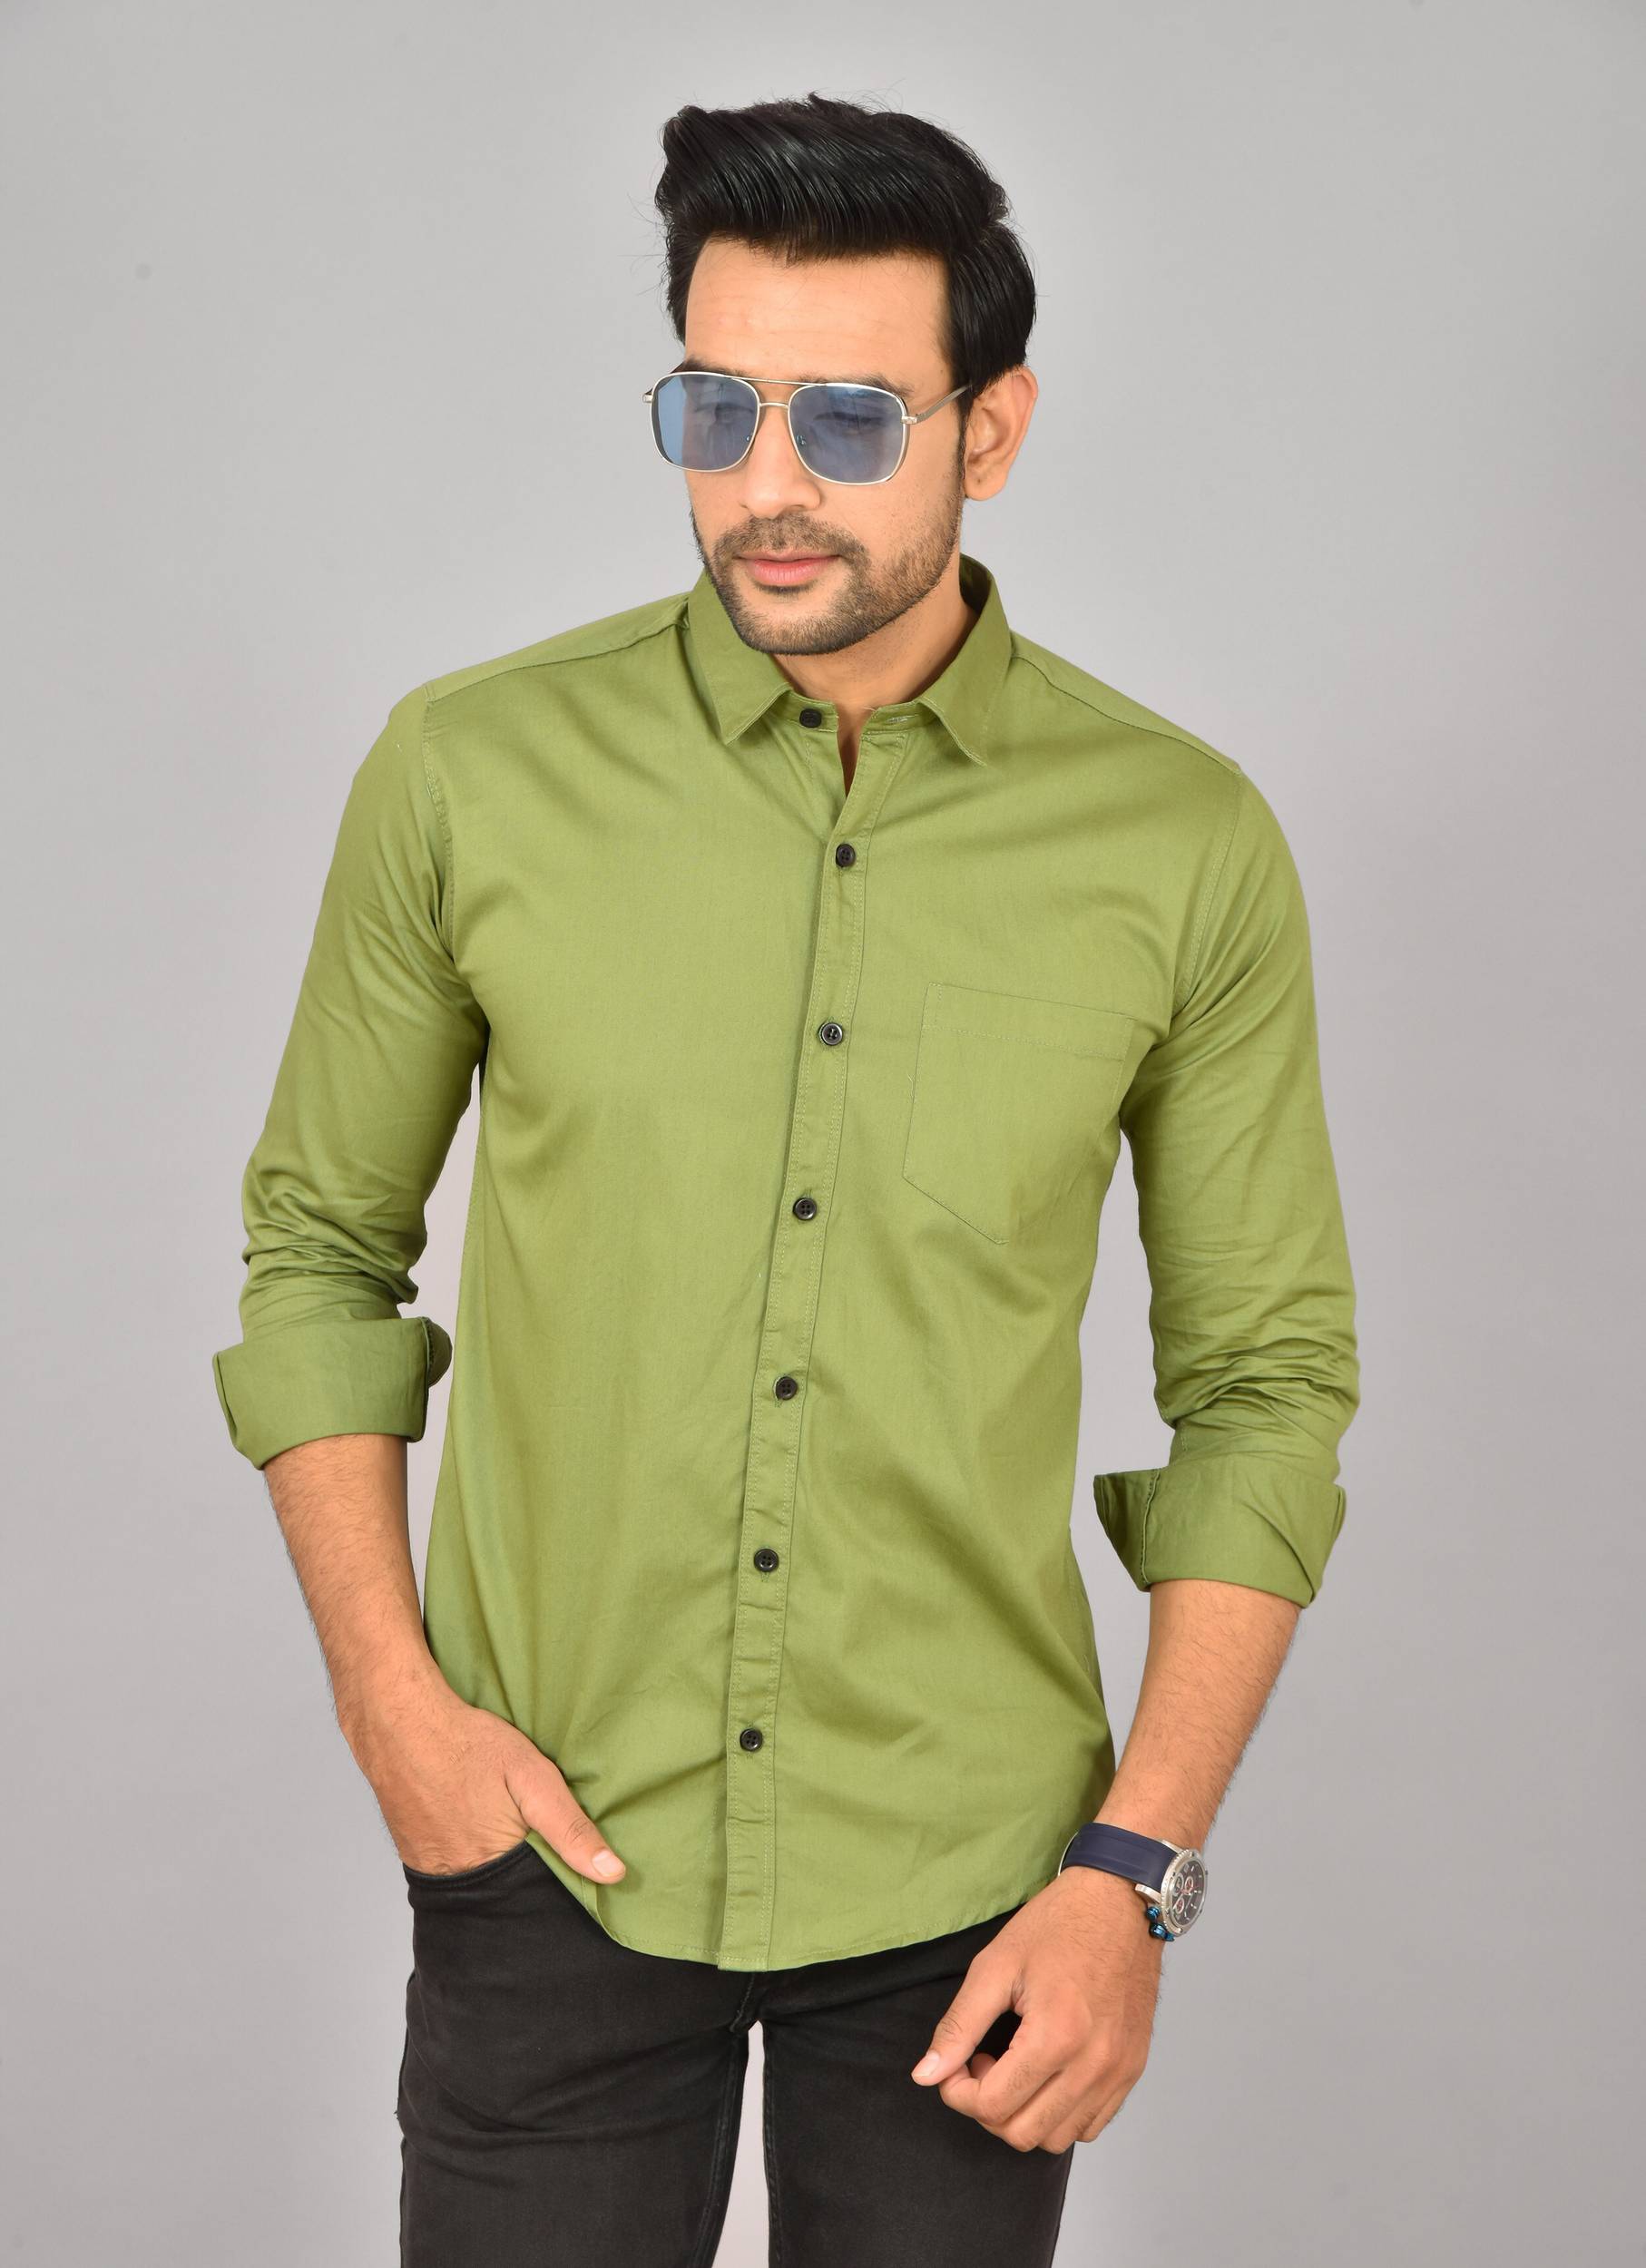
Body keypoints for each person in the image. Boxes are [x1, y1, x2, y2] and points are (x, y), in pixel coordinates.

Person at [210, 90, 1359, 2268]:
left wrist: (1131, 1871)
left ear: (988, 429)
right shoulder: (469, 770)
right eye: (712, 406)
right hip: (551, 1847)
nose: (763, 486)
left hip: (975, 1890)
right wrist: (394, 1708)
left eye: (844, 418)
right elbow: (319, 1256)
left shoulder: (1179, 842)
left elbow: (1265, 1386)